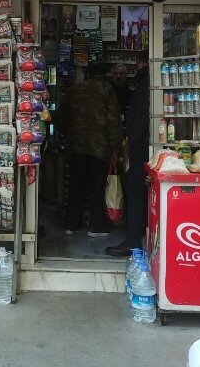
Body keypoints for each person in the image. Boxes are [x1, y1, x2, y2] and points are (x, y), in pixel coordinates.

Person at [60, 62, 123, 237]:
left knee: (75, 185)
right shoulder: (107, 90)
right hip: (99, 146)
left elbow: (61, 116)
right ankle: (96, 226)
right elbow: (112, 121)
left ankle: (71, 225)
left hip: (76, 145)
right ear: (103, 75)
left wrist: (70, 135)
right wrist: (116, 146)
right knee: (97, 186)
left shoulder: (74, 90)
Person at [107, 51, 150, 257]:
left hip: (141, 147)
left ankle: (133, 242)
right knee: (141, 190)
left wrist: (131, 142)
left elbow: (141, 117)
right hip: (147, 145)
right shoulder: (149, 82)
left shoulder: (144, 85)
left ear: (141, 63)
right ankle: (140, 237)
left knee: (135, 189)